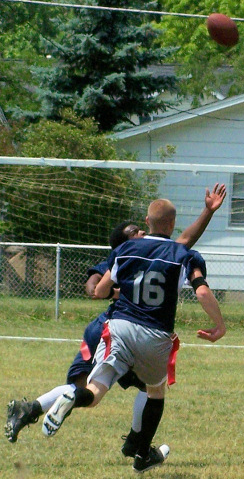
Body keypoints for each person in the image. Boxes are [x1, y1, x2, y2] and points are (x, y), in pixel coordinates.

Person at [4, 183, 226, 456]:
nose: (140, 233)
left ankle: (131, 439)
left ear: (149, 222)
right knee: (119, 387)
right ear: (125, 241)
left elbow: (181, 241)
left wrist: (208, 211)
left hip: (119, 327)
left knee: (102, 389)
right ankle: (32, 410)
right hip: (113, 327)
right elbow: (94, 289)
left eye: (141, 229)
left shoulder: (134, 251)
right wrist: (122, 292)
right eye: (134, 232)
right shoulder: (132, 251)